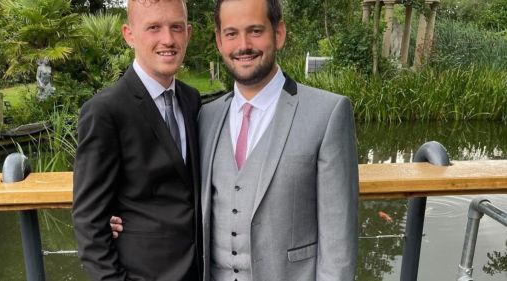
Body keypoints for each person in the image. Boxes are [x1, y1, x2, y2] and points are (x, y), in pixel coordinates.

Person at [113, 0, 359, 280]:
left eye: (255, 31)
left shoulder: (328, 113)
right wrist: (118, 215)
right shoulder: (205, 116)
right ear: (219, 41)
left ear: (278, 33)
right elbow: (168, 187)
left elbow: (339, 243)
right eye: (231, 33)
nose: (243, 45)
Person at [72, 0, 202, 280]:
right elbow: (89, 222)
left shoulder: (192, 100)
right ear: (129, 34)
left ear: (188, 33)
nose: (167, 39)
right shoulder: (105, 111)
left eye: (176, 27)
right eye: (153, 27)